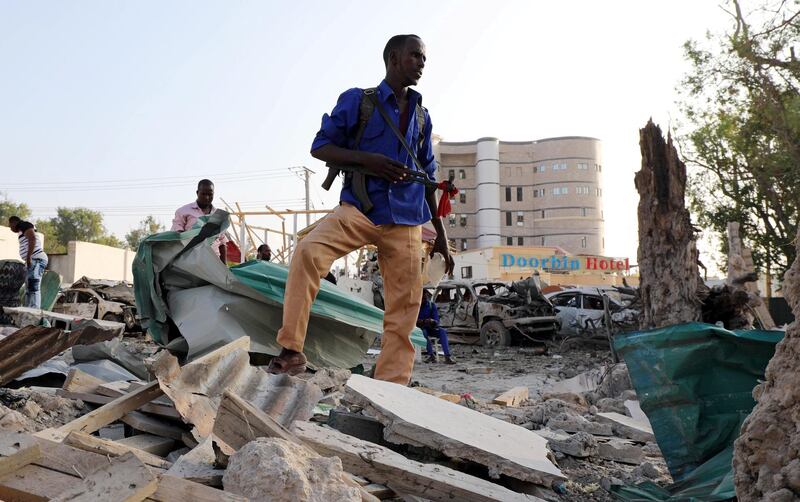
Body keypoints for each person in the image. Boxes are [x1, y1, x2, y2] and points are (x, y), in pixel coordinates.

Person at [268, 34, 454, 383]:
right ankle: (292, 350)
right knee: (307, 252)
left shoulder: (423, 117)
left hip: (407, 223)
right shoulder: (358, 101)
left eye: (424, 58)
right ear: (394, 59)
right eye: (416, 56)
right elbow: (320, 147)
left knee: (404, 308)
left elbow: (429, 179)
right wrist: (367, 160)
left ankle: (391, 388)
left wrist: (442, 236)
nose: (422, 63)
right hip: (361, 210)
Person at [172, 179, 228, 263]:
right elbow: (177, 236)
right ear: (197, 192)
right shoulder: (183, 211)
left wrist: (225, 267)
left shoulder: (218, 215)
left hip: (214, 262)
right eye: (203, 194)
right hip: (191, 261)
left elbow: (222, 242)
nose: (207, 197)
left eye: (210, 194)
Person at [8, 216, 48, 309]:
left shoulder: (23, 225)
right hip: (33, 259)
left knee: (33, 287)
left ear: (14, 222)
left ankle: (34, 311)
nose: (10, 228)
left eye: (10, 226)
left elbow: (32, 239)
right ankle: (29, 309)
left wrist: (29, 256)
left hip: (36, 258)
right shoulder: (22, 229)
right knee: (29, 287)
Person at [417, 289, 455, 364]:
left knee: (442, 331)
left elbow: (436, 320)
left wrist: (433, 321)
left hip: (431, 328)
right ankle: (431, 355)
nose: (423, 300)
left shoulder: (431, 305)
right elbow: (414, 321)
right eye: (422, 298)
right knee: (424, 332)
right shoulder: (416, 307)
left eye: (425, 298)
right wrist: (424, 321)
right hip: (421, 328)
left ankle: (447, 356)